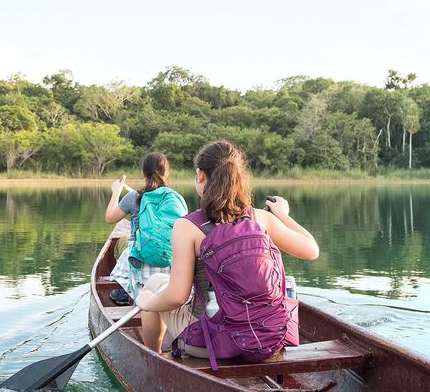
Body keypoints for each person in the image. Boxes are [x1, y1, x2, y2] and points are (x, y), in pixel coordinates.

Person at [135, 140, 319, 359]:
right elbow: (312, 249)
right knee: (158, 285)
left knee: (152, 287)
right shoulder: (260, 218)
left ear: (199, 175)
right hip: (270, 336)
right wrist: (282, 214)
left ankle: (155, 357)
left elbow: (176, 296)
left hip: (212, 343)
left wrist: (147, 303)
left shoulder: (187, 227)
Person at [104, 151, 188, 351]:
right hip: (169, 261)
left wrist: (116, 190)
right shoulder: (175, 198)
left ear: (144, 173)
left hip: (140, 262)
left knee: (139, 288)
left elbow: (110, 217)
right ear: (167, 174)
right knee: (160, 290)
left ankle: (150, 342)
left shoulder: (134, 197)